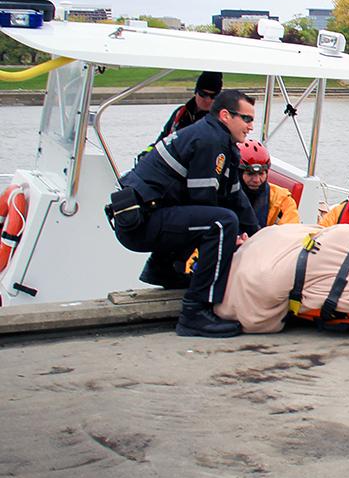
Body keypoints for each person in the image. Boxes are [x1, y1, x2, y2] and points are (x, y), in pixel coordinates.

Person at [108, 90, 260, 338]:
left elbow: (235, 197)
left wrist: (259, 236)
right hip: (140, 223)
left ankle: (163, 270)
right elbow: (204, 200)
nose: (251, 126)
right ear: (225, 115)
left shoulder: (221, 142)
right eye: (246, 119)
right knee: (222, 222)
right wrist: (231, 238)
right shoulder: (209, 140)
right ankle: (196, 312)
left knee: (218, 218)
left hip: (149, 217)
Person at [237, 139, 301, 228]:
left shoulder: (281, 199)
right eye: (250, 174)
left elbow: (290, 230)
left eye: (261, 174)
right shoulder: (223, 194)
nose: (256, 180)